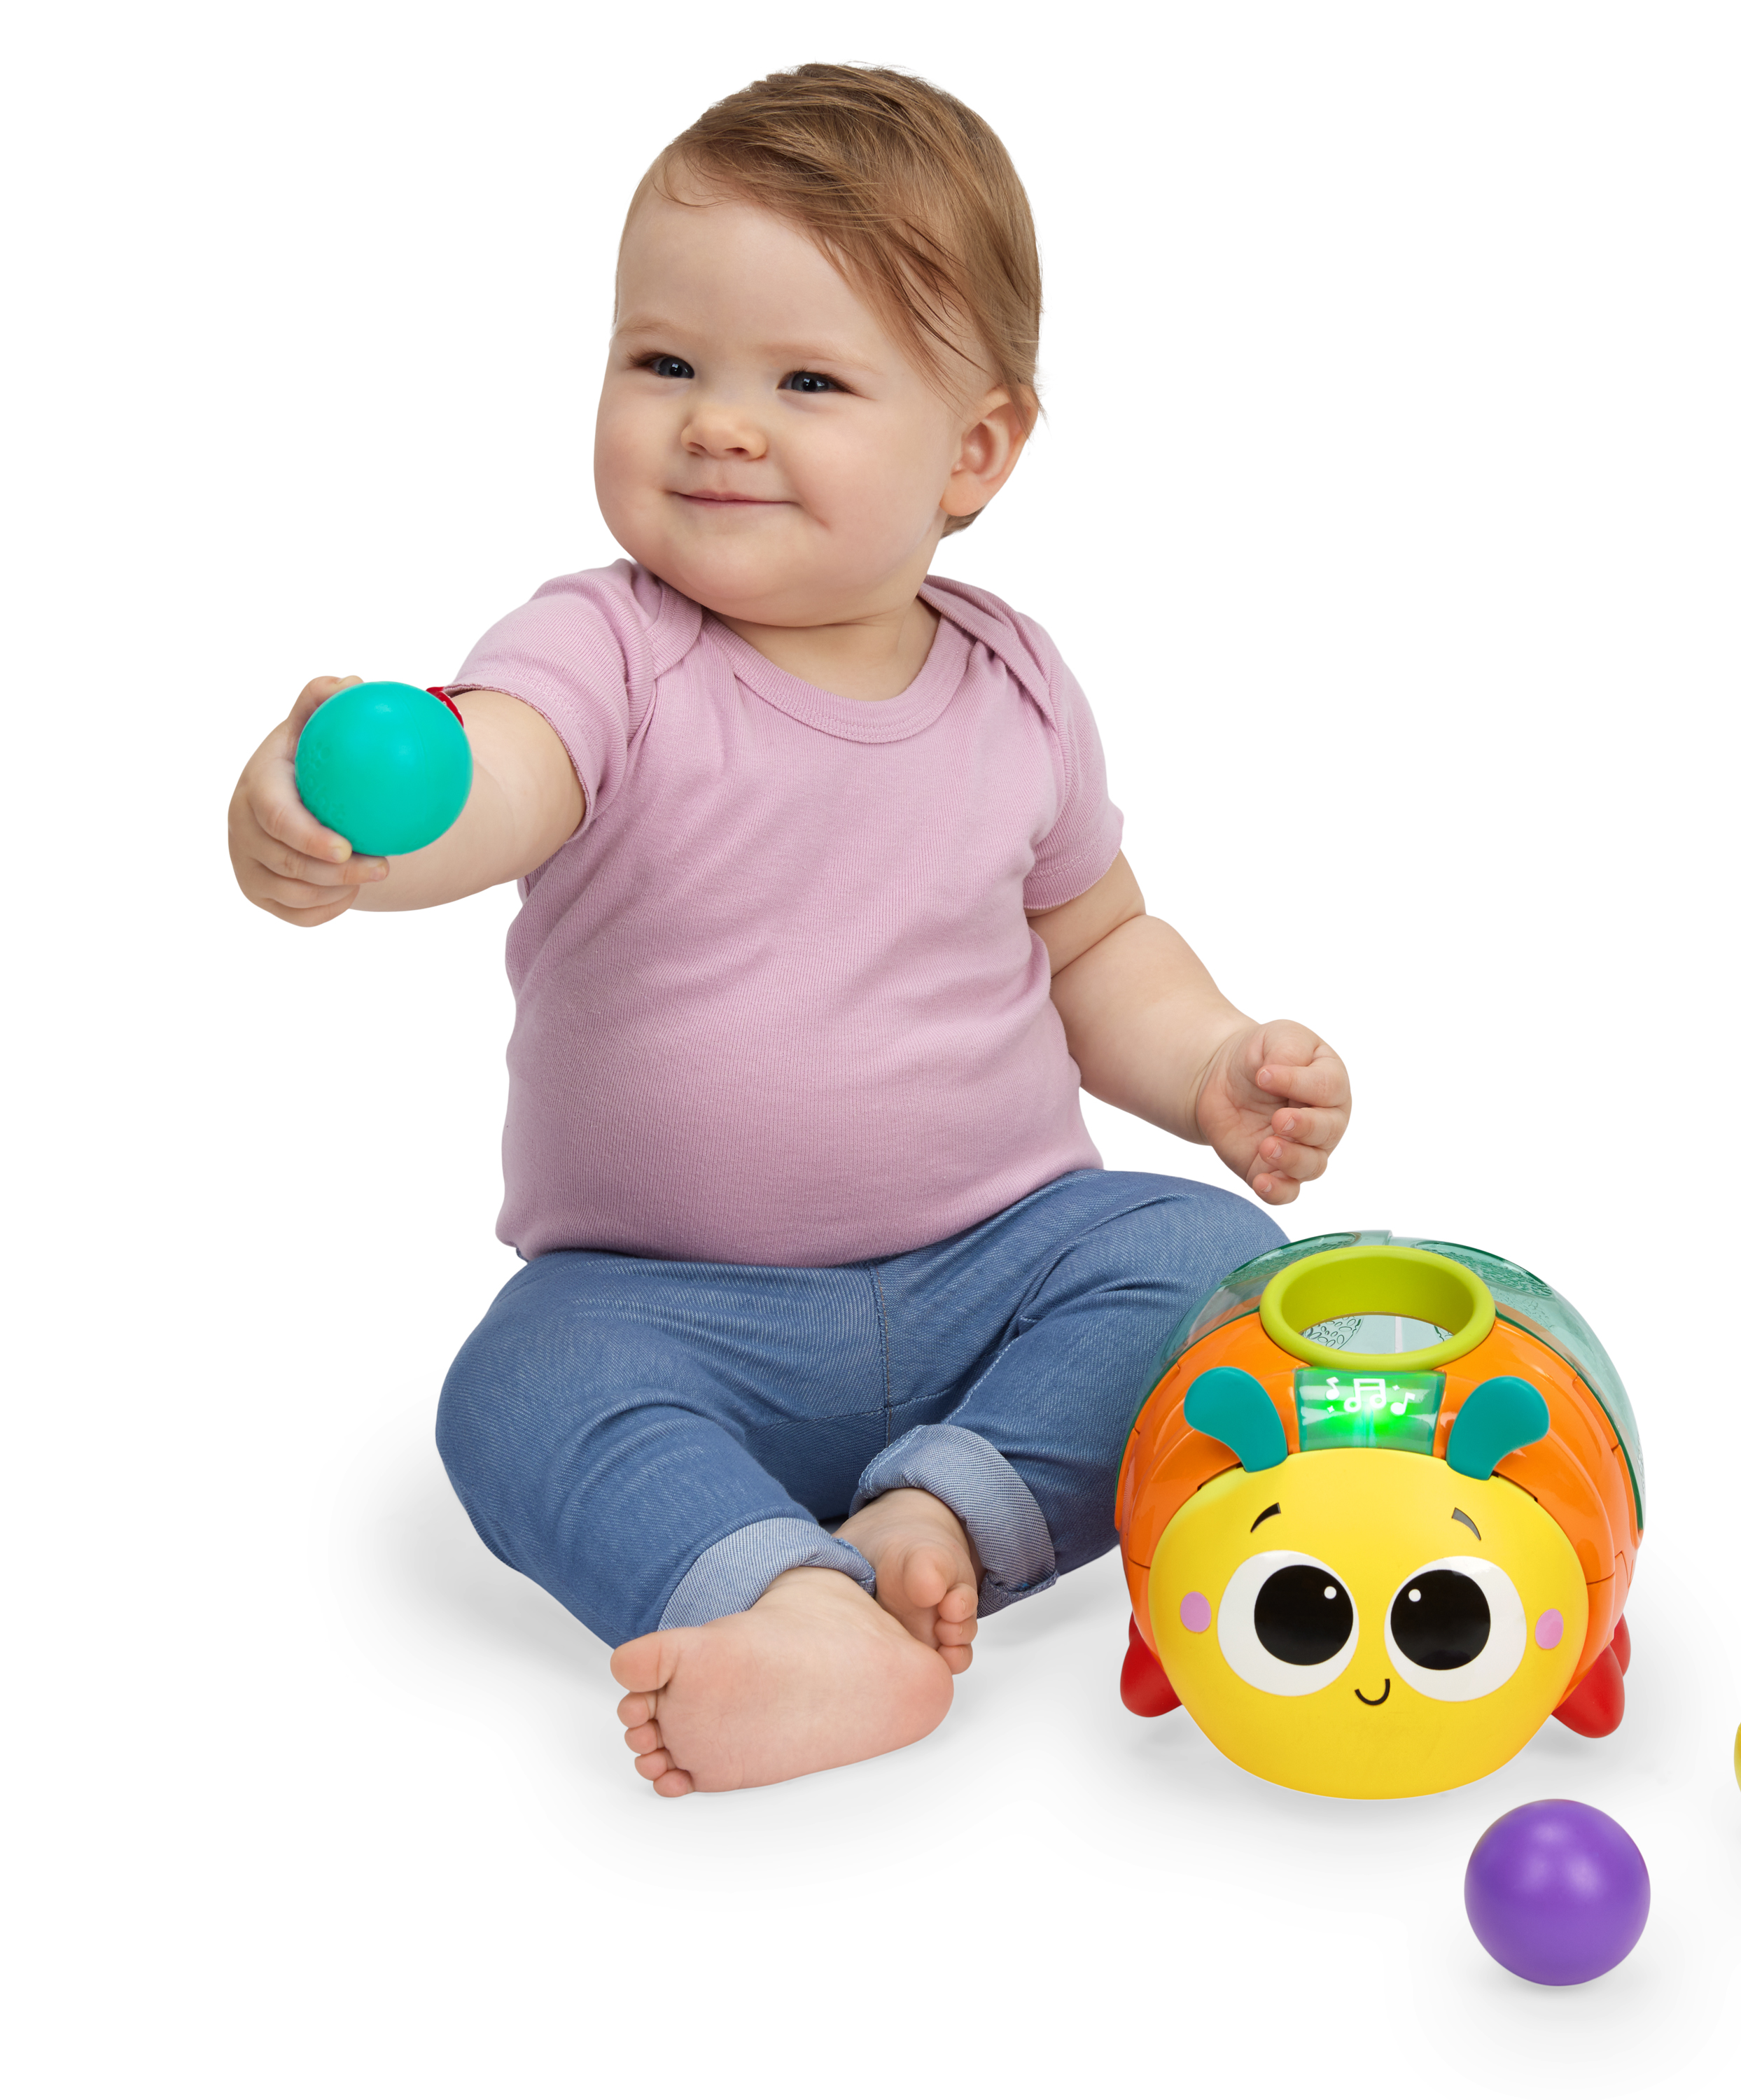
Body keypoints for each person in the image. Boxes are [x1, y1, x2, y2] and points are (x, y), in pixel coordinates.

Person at [227, 64, 1351, 1793]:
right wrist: (366, 826)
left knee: (1212, 1272)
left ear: (974, 451)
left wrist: (1207, 1064)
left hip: (998, 1265)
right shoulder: (605, 649)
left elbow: (1093, 943)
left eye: (806, 381)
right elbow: (502, 772)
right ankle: (791, 1610)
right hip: (666, 1307)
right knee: (517, 1390)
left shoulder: (1017, 683)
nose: (720, 426)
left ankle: (942, 1514)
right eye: (664, 363)